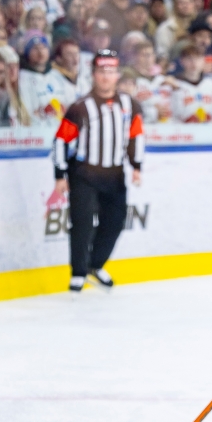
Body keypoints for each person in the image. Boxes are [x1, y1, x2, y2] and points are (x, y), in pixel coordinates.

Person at [51, 50, 144, 292]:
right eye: (101, 71)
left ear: (117, 75)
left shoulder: (129, 105)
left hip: (114, 174)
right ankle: (79, 271)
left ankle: (96, 264)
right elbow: (61, 140)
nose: (106, 76)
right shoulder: (80, 107)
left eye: (111, 71)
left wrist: (136, 165)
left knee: (115, 222)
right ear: (93, 74)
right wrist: (60, 174)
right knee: (82, 222)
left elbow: (135, 136)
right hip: (84, 174)